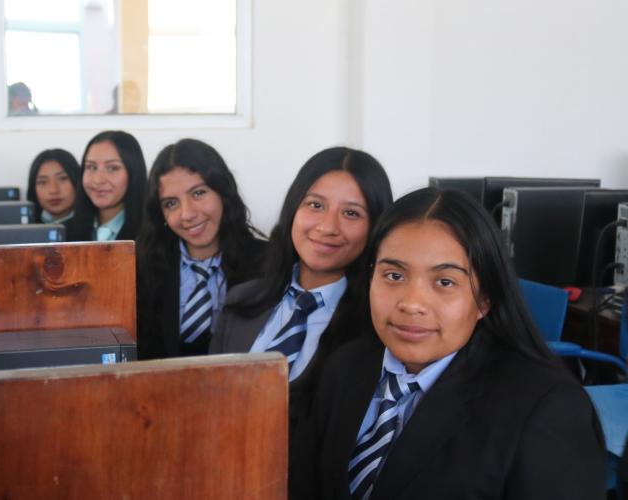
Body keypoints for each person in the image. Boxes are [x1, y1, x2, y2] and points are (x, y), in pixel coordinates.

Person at [291, 187, 605, 500]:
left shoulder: (548, 410)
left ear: (484, 299)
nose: (412, 304)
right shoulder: (344, 366)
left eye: (445, 282)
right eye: (394, 276)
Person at [209, 147, 393, 442]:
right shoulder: (240, 302)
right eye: (315, 205)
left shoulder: (377, 329)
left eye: (351, 213)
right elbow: (208, 403)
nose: (327, 226)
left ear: (375, 228)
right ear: (294, 208)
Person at [136, 138, 267, 359]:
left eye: (198, 193)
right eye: (171, 203)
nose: (187, 214)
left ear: (222, 193)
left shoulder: (267, 262)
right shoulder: (141, 264)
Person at [66, 131, 147, 241]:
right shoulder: (65, 232)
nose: (98, 180)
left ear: (134, 171)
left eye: (112, 168)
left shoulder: (152, 233)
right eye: (91, 167)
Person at [26, 149, 80, 229]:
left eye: (63, 178)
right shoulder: (23, 228)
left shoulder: (95, 228)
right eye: (43, 182)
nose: (53, 190)